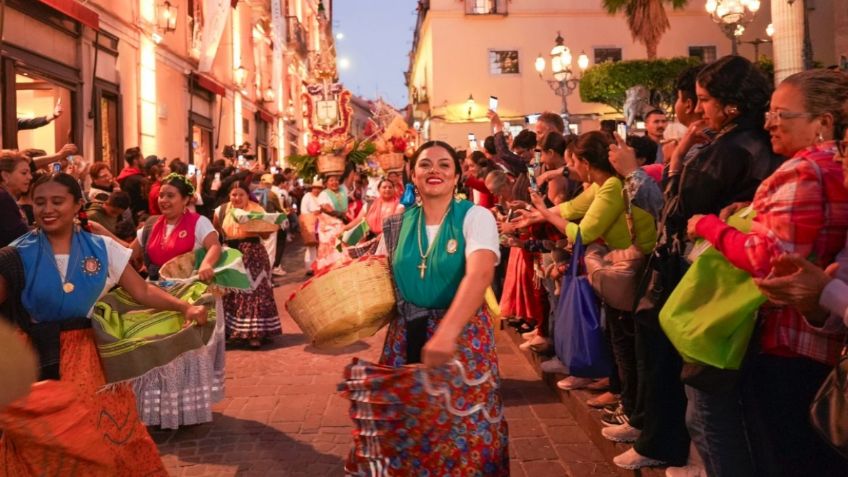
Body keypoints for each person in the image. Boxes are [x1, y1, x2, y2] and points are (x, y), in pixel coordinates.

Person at [687, 68, 848, 476]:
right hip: (827, 340)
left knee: (783, 452)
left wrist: (708, 225)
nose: (770, 123)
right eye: (770, 113)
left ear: (823, 123)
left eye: (783, 114)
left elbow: (769, 260)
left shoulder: (803, 170)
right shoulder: (834, 170)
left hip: (791, 338)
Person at [0, 172, 206, 475]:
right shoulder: (15, 254)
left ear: (77, 204)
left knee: (107, 437)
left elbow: (142, 290)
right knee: (46, 446)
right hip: (36, 359)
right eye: (39, 202)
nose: (47, 209)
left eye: (58, 201)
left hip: (91, 358)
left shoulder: (101, 248)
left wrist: (184, 307)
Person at [345, 140, 509, 475]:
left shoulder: (476, 217)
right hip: (405, 336)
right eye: (425, 164)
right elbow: (376, 273)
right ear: (413, 176)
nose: (434, 170)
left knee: (462, 434)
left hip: (462, 339)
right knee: (405, 433)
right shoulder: (397, 223)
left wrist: (446, 334)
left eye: (444, 164)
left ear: (457, 176)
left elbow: (480, 274)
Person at [129, 173, 225, 429]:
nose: (164, 200)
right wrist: (101, 234)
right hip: (156, 297)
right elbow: (128, 254)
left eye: (171, 195)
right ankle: (160, 409)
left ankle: (184, 409)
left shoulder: (198, 222)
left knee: (184, 354)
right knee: (157, 353)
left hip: (188, 295)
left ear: (186, 200)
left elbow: (214, 245)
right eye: (161, 195)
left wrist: (206, 263)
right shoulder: (149, 226)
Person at [213, 181, 281, 348]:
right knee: (233, 293)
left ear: (247, 195)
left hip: (253, 253)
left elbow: (266, 235)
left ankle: (255, 333)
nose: (237, 198)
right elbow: (215, 233)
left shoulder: (256, 209)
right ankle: (234, 331)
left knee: (254, 292)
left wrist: (254, 224)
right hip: (230, 254)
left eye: (241, 194)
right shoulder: (221, 211)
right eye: (234, 194)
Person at [315, 174, 349, 271]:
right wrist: (342, 215)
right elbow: (327, 209)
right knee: (331, 246)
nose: (334, 182)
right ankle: (331, 268)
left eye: (336, 180)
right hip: (329, 226)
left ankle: (342, 266)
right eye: (331, 180)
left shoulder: (342, 191)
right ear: (326, 183)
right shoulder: (324, 194)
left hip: (340, 223)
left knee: (341, 245)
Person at [0, 151, 31, 247]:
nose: (30, 177)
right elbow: (20, 238)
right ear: (5, 176)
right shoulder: (3, 199)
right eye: (24, 173)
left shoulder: (7, 198)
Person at [117, 147, 149, 224]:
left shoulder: (125, 173)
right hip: (138, 217)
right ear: (135, 160)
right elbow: (145, 200)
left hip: (130, 214)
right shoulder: (137, 179)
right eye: (142, 157)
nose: (144, 160)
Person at [300, 180, 323, 275]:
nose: (316, 190)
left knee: (320, 245)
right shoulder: (307, 196)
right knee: (311, 246)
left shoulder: (322, 197)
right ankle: (309, 267)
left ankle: (318, 265)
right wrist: (314, 213)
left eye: (318, 188)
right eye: (315, 188)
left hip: (321, 224)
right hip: (311, 224)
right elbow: (303, 211)